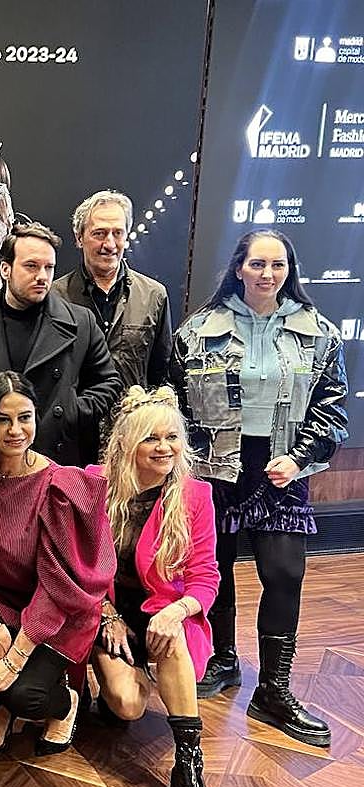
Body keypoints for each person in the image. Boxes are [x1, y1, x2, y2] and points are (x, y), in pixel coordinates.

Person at [173, 229, 348, 747]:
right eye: (257, 264)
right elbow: (176, 405)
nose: (267, 274)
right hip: (214, 468)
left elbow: (332, 409)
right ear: (238, 268)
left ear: (289, 270)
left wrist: (299, 458)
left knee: (284, 572)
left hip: (282, 468)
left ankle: (273, 688)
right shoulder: (196, 330)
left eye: (278, 265)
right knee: (214, 567)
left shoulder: (319, 332)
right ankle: (221, 659)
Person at [0, 372, 114, 758]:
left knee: (26, 695)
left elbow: (56, 586)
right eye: (3, 420)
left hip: (58, 614)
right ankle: (0, 710)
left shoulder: (57, 486)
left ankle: (64, 702)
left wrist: (13, 661)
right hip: (1, 602)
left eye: (25, 418)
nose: (15, 430)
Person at [87, 386, 218, 787]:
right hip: (107, 614)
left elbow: (206, 578)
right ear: (127, 444)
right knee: (127, 706)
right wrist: (106, 612)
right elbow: (75, 564)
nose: (164, 448)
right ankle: (117, 683)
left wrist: (177, 611)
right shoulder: (94, 486)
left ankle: (189, 767)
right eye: (151, 438)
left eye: (172, 437)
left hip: (163, 613)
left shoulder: (195, 495)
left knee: (173, 634)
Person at [0, 222, 121, 466]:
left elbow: (109, 382)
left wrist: (71, 411)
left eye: (49, 267)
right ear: (5, 269)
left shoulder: (80, 323)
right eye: (31, 266)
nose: (42, 276)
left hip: (57, 460)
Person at [53, 189, 172, 392]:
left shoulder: (154, 296)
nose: (109, 244)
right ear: (79, 238)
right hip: (76, 412)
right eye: (99, 233)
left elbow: (161, 374)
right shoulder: (55, 297)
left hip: (133, 411)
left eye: (118, 233)